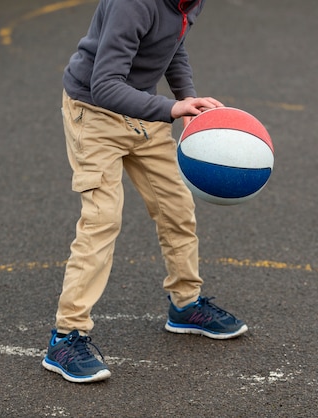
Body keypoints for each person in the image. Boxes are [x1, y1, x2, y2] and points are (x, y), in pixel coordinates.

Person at [41, 0, 248, 384]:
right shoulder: (133, 4)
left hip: (142, 111)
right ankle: (66, 336)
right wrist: (171, 107)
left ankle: (185, 304)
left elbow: (172, 46)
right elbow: (104, 85)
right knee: (102, 219)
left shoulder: (190, 3)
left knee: (177, 208)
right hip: (95, 112)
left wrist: (191, 105)